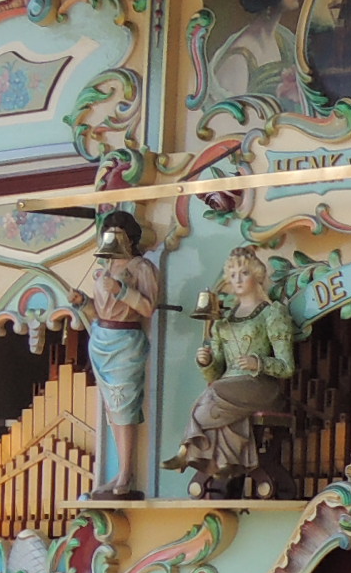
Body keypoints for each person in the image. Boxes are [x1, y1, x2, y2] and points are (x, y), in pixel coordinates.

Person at [167, 249, 298, 495]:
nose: (237, 279)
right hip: (227, 388)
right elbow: (215, 374)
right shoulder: (222, 321)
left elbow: (287, 366)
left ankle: (188, 450)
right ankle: (224, 463)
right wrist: (206, 362)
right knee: (216, 395)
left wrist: (258, 362)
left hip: (260, 386)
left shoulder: (272, 313)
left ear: (257, 276)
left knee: (214, 395)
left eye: (244, 273)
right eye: (233, 274)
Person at [72, 210, 164, 498]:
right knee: (112, 409)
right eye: (108, 233)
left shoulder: (141, 267)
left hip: (126, 341)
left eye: (117, 234)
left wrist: (121, 290)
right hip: (102, 338)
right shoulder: (105, 268)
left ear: (129, 237)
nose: (112, 240)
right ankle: (120, 472)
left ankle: (127, 473)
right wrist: (83, 302)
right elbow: (99, 312)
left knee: (124, 406)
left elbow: (147, 308)